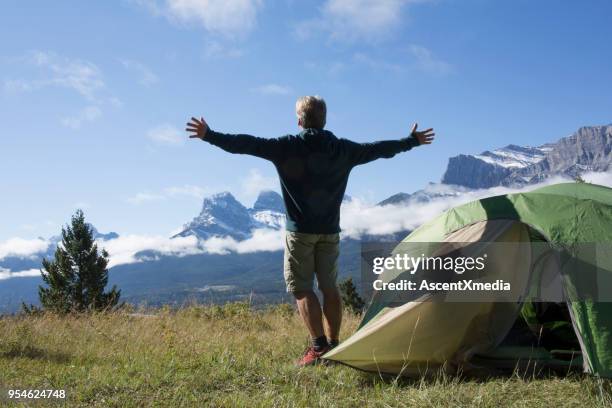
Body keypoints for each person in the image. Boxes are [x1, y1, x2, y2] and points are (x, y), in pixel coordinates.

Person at [186, 96, 435, 366]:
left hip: (300, 233)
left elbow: (245, 144)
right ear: (324, 119)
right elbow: (378, 149)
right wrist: (411, 141)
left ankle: (318, 348)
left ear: (299, 121)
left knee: (302, 288)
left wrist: (209, 135)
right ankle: (336, 347)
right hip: (330, 232)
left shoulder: (286, 146)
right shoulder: (342, 149)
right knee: (329, 287)